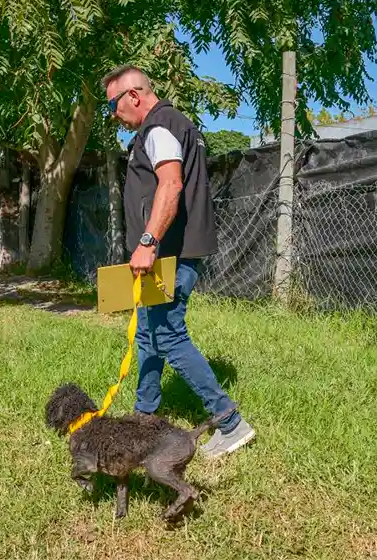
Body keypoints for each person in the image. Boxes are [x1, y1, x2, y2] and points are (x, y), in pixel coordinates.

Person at [102, 65, 256, 458]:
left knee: (168, 334)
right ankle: (145, 413)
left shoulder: (158, 128)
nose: (114, 115)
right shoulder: (176, 125)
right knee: (147, 334)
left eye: (114, 105)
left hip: (167, 252)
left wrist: (147, 242)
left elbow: (170, 185)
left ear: (134, 96)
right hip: (170, 252)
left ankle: (229, 422)